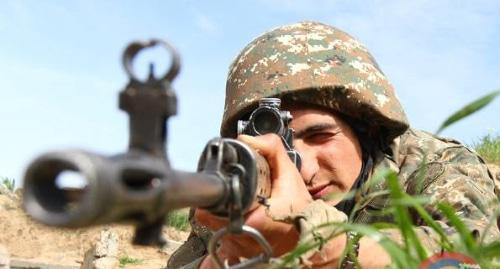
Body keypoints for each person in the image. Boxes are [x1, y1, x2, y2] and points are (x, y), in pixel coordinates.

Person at [167, 21, 499, 269]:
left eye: (320, 136)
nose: (305, 169)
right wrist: (222, 259)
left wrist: (322, 243)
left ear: (365, 129)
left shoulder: (433, 168)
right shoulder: (238, 191)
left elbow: (474, 257)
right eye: (279, 147)